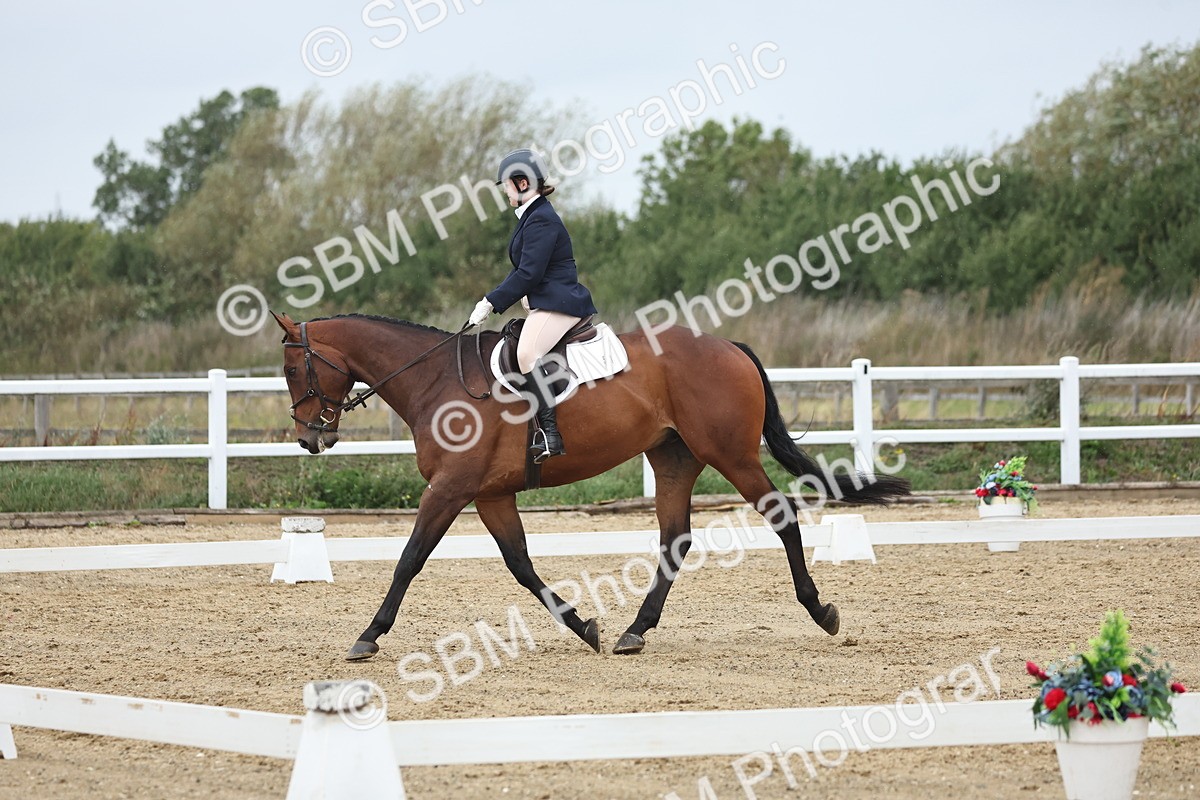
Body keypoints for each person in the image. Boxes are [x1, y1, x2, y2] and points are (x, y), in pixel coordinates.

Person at [466, 148, 598, 463]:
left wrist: (490, 302)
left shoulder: (541, 220)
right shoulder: (533, 216)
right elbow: (523, 270)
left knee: (527, 353)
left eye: (508, 185)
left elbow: (529, 273)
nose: (506, 193)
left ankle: (551, 435)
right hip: (546, 303)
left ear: (523, 183)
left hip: (561, 303)